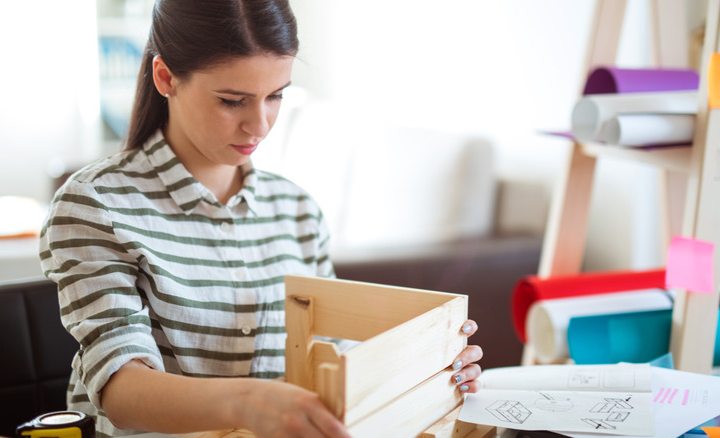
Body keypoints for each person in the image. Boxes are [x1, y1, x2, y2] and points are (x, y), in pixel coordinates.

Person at [39, 0, 483, 436]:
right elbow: (120, 389)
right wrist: (249, 403)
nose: (261, 124)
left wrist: (427, 367)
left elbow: (334, 359)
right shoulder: (95, 204)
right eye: (233, 100)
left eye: (276, 96)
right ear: (165, 77)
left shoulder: (297, 210)